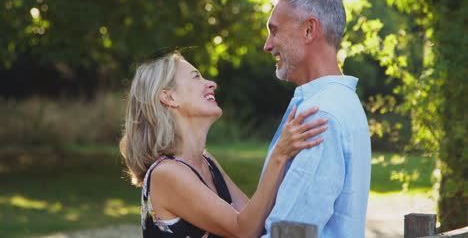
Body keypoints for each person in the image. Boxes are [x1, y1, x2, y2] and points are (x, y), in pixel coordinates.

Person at [119, 52, 329, 238]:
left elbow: (259, 221)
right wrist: (279, 155)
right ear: (169, 97)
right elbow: (244, 230)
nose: (211, 83)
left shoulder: (207, 161)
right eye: (196, 77)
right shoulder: (166, 174)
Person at [260, 0, 372, 238]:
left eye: (274, 31)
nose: (267, 44)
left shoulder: (321, 114)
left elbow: (288, 231)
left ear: (309, 30)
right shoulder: (337, 102)